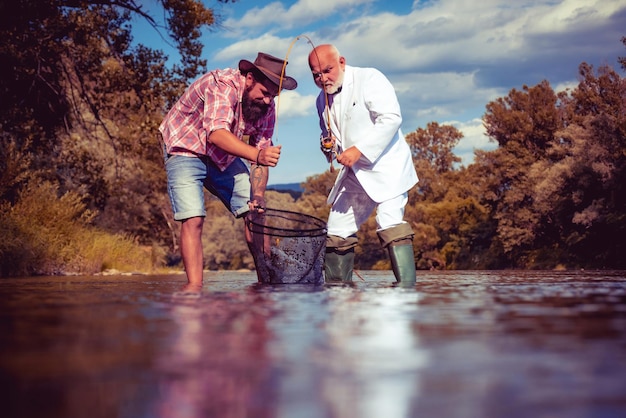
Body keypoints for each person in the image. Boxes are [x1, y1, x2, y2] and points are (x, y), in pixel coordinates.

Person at [159, 52, 297, 291]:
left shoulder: (267, 107)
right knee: (194, 218)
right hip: (185, 147)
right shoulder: (222, 85)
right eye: (265, 94)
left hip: (222, 155)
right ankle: (194, 288)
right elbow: (216, 133)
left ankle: (266, 283)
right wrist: (256, 155)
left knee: (257, 213)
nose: (267, 101)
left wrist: (259, 196)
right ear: (250, 78)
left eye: (273, 96)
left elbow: (261, 155)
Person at [308, 44, 418, 286]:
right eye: (316, 75)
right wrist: (328, 147)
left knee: (389, 221)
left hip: (388, 168)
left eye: (327, 71)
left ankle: (406, 292)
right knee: (336, 229)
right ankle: (339, 298)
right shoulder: (320, 101)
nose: (322, 78)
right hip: (354, 174)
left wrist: (359, 150)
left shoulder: (370, 78)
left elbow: (391, 118)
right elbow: (332, 141)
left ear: (342, 62)